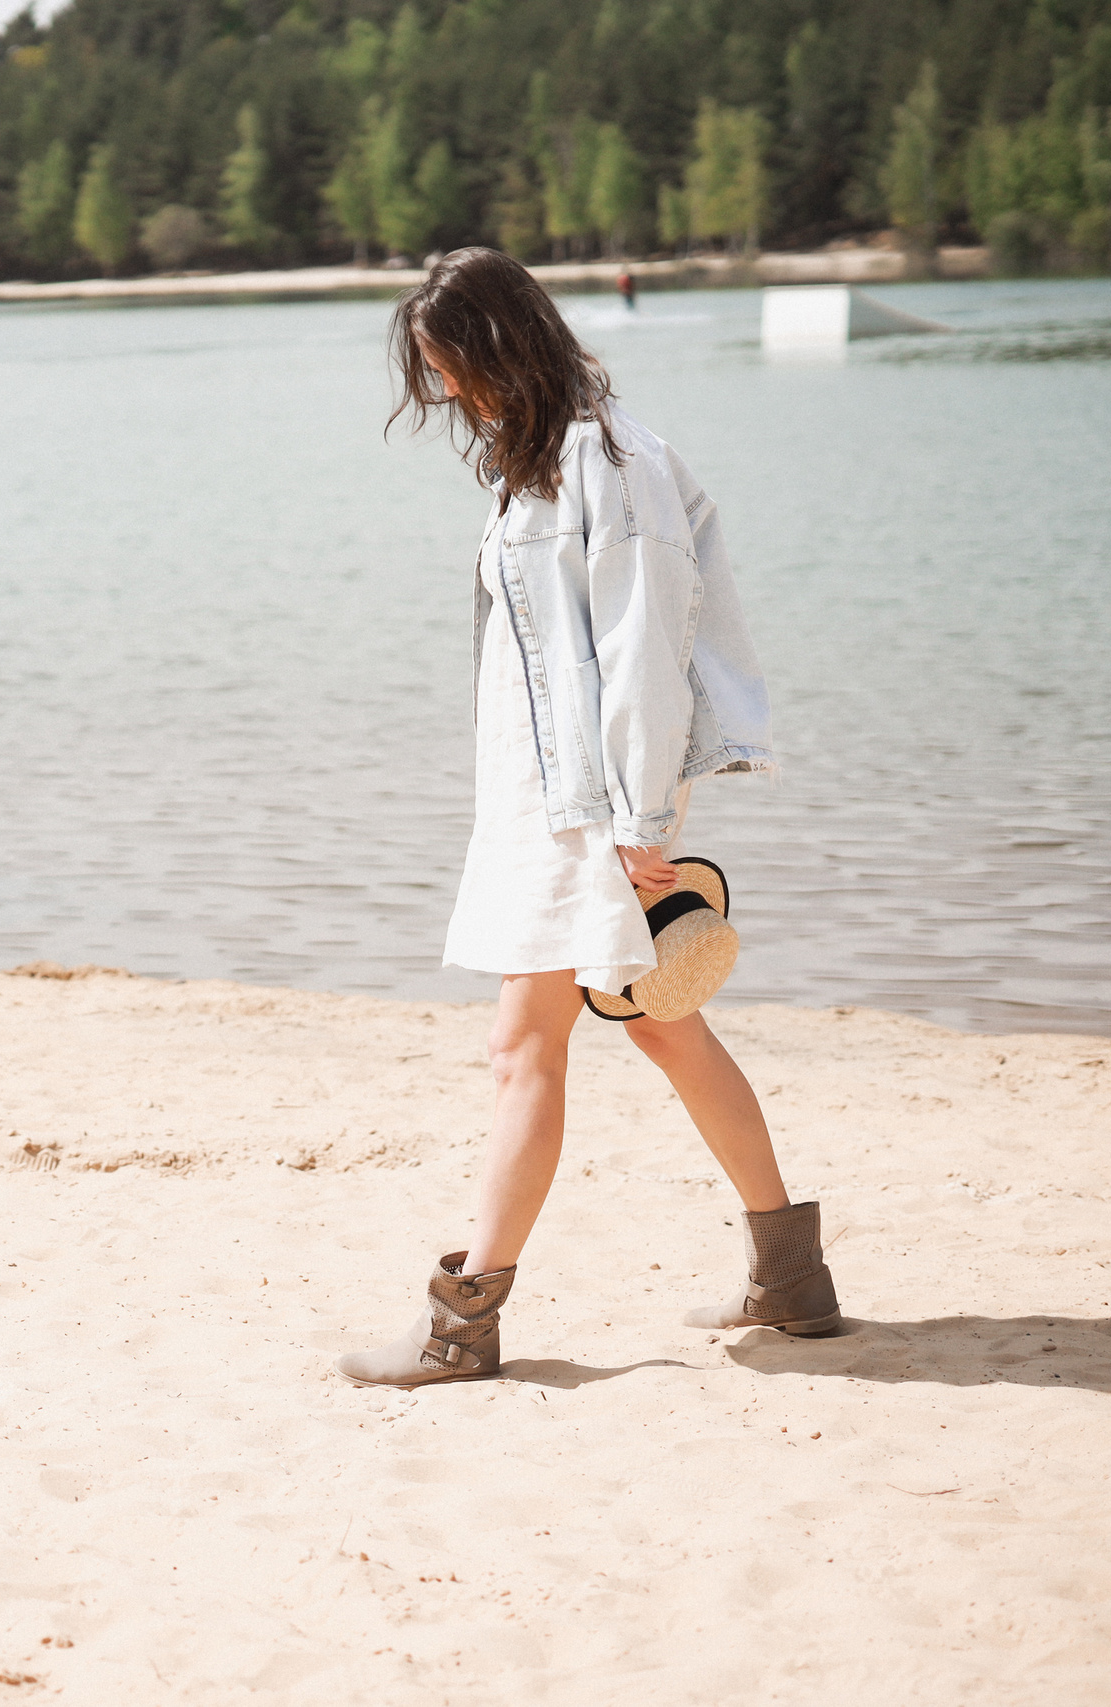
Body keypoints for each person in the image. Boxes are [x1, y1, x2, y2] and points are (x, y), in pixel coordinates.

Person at [336, 247, 841, 1389]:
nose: (452, 393)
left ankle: (459, 1326)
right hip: (548, 802)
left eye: (453, 368)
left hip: (589, 810)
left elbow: (643, 649)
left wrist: (639, 815)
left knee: (524, 1050)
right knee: (662, 1021)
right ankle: (793, 1282)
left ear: (502, 344)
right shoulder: (539, 462)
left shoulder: (608, 459)